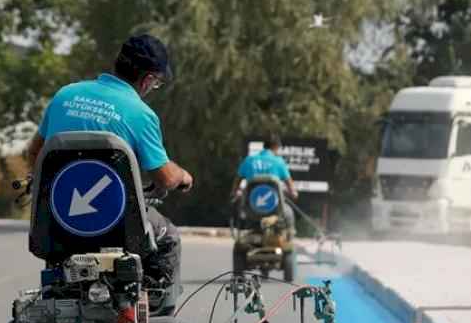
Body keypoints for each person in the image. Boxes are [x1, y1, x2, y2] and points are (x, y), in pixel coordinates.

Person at [24, 34, 194, 291]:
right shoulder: (140, 114)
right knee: (168, 239)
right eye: (156, 83)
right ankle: (157, 316)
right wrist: (183, 176)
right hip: (118, 224)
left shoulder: (64, 96)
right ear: (148, 80)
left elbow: (34, 152)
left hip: (58, 219)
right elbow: (167, 178)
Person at [232, 136, 297, 227]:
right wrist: (293, 193)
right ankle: (289, 236)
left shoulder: (249, 160)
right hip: (274, 209)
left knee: (238, 207)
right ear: (276, 147)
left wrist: (235, 192)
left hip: (250, 208)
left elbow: (237, 180)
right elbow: (290, 185)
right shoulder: (279, 162)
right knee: (288, 212)